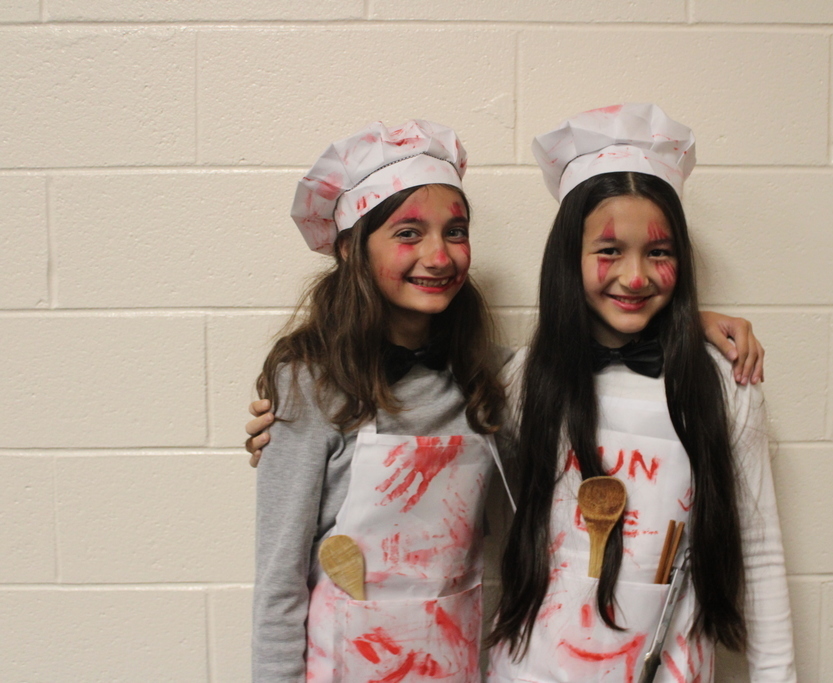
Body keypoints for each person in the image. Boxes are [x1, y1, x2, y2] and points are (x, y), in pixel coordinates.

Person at [486, 104, 794, 682]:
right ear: (567, 261)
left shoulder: (725, 383)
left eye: (658, 252)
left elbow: (761, 552)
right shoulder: (521, 380)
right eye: (609, 251)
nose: (634, 277)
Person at [251, 119, 515, 682]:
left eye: (456, 231)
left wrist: (695, 327)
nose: (439, 256)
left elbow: (593, 368)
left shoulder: (494, 377)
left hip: (455, 664)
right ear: (349, 248)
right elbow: (279, 584)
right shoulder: (309, 385)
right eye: (408, 233)